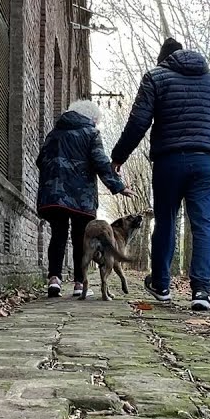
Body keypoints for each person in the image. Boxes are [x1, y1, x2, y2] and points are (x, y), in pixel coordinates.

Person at [111, 37, 210, 311]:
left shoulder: (156, 77)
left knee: (166, 220)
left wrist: (118, 156)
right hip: (205, 161)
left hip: (169, 161)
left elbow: (139, 121)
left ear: (163, 59)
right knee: (203, 224)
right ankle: (202, 291)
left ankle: (161, 285)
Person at [37, 99, 133, 298]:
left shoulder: (54, 134)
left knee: (58, 235)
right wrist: (119, 186)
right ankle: (79, 284)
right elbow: (100, 162)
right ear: (92, 118)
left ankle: (54, 279)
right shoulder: (91, 134)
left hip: (54, 193)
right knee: (81, 238)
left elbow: (41, 160)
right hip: (81, 196)